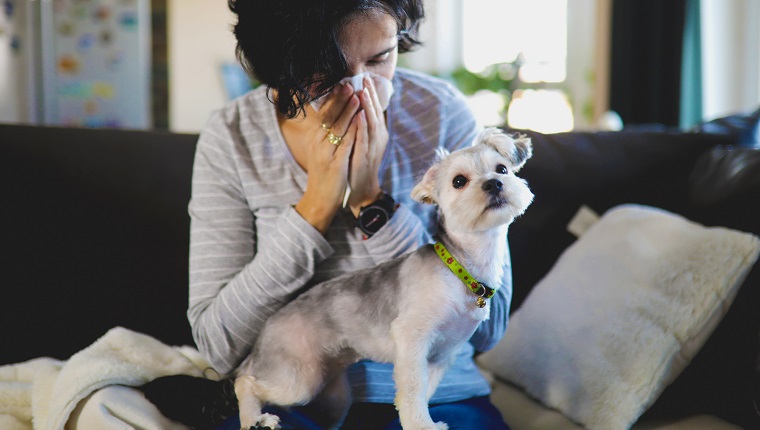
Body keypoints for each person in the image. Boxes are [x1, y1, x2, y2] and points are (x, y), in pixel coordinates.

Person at [187, 1, 512, 428]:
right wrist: (317, 204)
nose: (362, 87)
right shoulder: (232, 136)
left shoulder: (441, 113)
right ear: (282, 65)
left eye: (380, 58)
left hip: (438, 398)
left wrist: (370, 201)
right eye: (328, 72)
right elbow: (217, 344)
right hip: (289, 398)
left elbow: (492, 324)